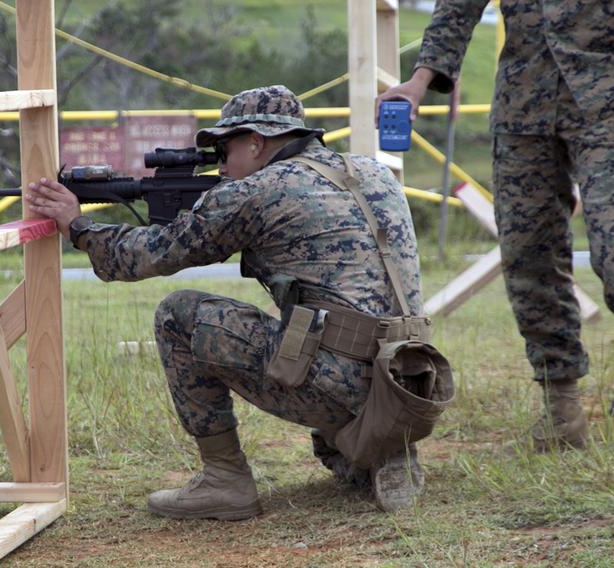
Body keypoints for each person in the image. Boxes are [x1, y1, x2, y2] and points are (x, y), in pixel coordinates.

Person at [26, 85, 443, 518]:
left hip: (342, 383)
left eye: (225, 151)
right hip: (412, 377)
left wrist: (77, 226)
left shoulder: (258, 191)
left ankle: (225, 480)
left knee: (179, 315)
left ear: (256, 142)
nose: (221, 166)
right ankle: (382, 445)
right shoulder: (372, 173)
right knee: (324, 325)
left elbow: (147, 255)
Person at [377, 1, 614, 450]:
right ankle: (562, 417)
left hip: (606, 101)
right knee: (528, 257)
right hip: (525, 105)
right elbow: (458, 6)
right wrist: (421, 79)